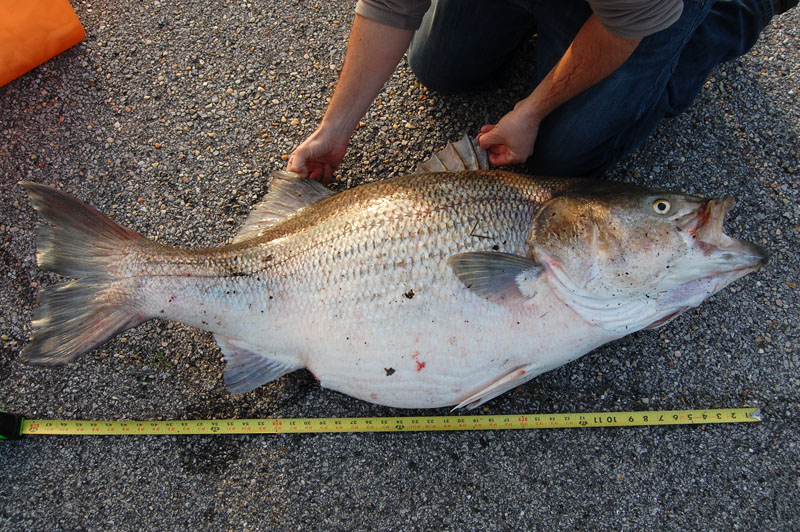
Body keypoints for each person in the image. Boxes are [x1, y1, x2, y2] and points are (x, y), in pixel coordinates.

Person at [287, 0, 796, 182]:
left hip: (633, 11)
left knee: (565, 154)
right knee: (439, 67)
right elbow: (391, 4)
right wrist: (335, 127)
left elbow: (623, 26)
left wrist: (531, 112)